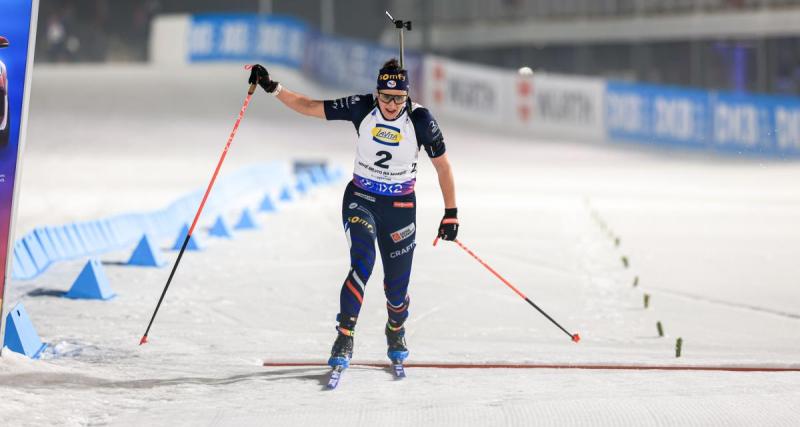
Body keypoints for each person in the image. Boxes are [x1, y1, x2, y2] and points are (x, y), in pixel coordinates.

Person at [248, 59, 459, 368]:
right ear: (376, 94)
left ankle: (396, 328)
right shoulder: (361, 107)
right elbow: (309, 105)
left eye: (398, 98)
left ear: (407, 96)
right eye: (385, 97)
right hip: (361, 198)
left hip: (400, 209)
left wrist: (451, 213)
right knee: (362, 263)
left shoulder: (421, 119)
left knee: (396, 291)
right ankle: (345, 334)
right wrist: (272, 87)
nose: (390, 104)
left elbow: (443, 166)